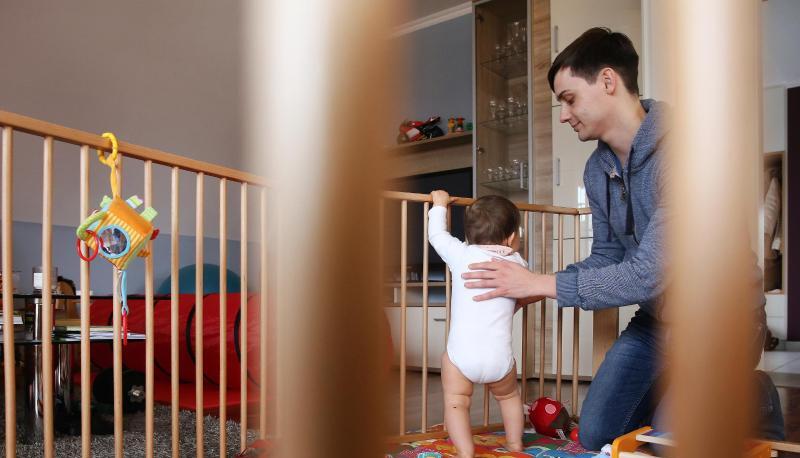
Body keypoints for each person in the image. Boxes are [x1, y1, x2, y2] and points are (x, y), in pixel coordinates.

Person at [459, 27, 783, 449]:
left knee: (674, 442)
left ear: (608, 81)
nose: (563, 115)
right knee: (596, 434)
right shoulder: (598, 170)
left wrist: (542, 283)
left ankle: (753, 395)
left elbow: (648, 273)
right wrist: (538, 286)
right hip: (657, 322)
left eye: (569, 99)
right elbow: (607, 256)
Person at [428, 190, 527, 457]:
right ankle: (515, 444)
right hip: (499, 358)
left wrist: (439, 206)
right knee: (509, 398)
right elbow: (523, 296)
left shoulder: (461, 255)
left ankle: (465, 451)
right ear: (511, 238)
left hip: (463, 357)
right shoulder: (519, 264)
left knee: (457, 402)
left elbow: (436, 236)